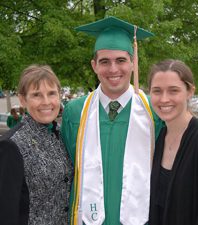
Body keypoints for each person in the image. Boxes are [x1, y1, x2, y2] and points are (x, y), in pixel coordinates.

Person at [61, 16, 163, 225]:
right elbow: (72, 166)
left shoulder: (154, 111)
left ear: (133, 63)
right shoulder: (75, 112)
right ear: (94, 65)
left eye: (121, 60)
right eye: (105, 61)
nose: (113, 69)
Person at [148, 59, 198, 225]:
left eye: (173, 91)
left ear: (190, 91)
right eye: (157, 91)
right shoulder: (160, 135)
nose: (164, 99)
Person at [0, 64, 73, 224]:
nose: (46, 102)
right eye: (37, 95)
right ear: (22, 99)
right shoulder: (11, 146)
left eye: (51, 93)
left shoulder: (63, 135)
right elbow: (5, 213)